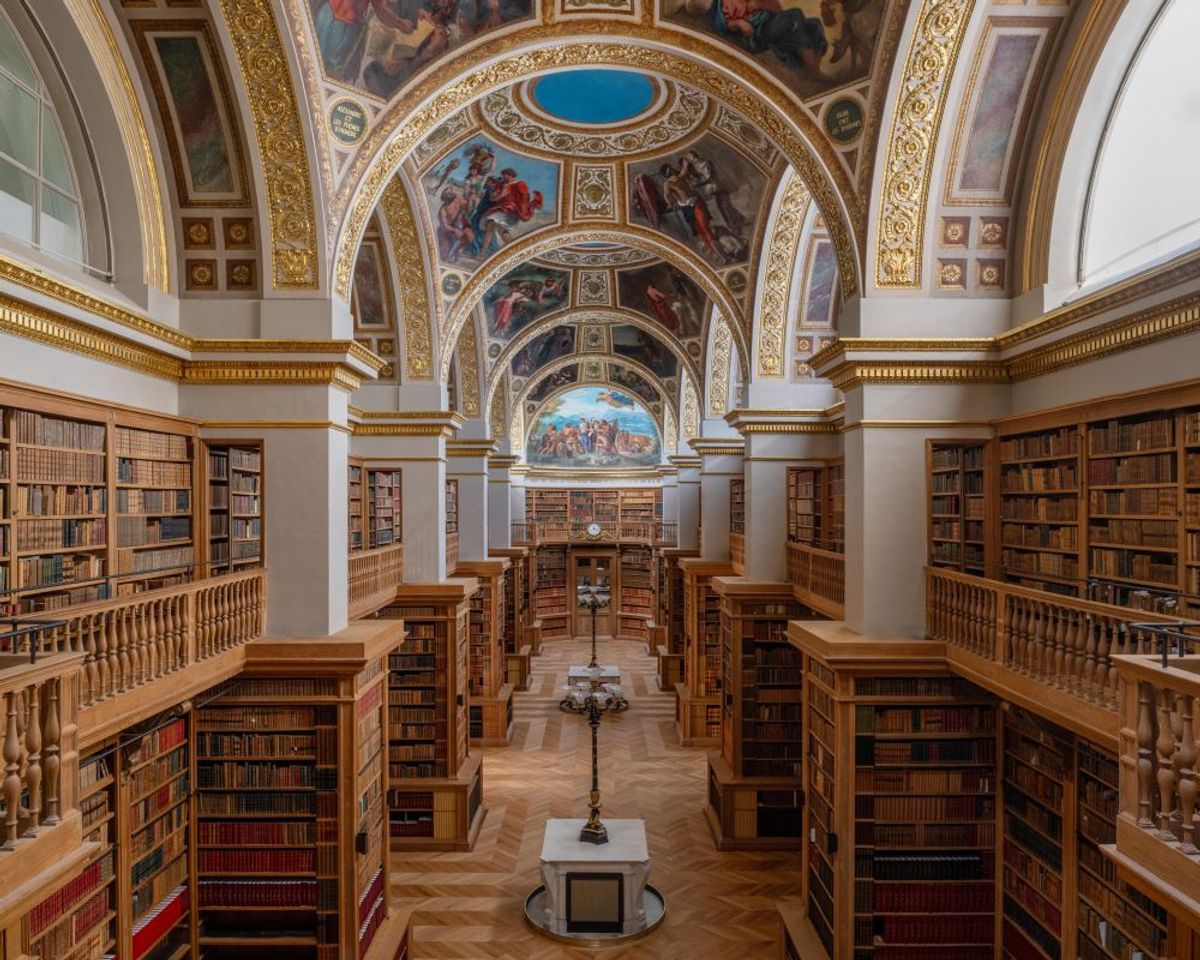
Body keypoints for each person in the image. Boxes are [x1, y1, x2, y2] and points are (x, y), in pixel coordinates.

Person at [712, 0, 832, 82]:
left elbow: (777, 9)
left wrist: (760, 5)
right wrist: (740, 23)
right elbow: (722, 25)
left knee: (814, 24)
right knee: (796, 14)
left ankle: (813, 68)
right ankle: (813, 70)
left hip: (770, 22)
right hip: (757, 34)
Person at [472, 168, 544, 256]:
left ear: (511, 175)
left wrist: (524, 210)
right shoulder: (502, 185)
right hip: (501, 209)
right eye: (503, 175)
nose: (503, 177)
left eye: (505, 175)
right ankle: (483, 252)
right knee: (494, 227)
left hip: (511, 211)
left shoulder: (520, 184)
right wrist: (501, 195)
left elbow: (524, 200)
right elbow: (492, 198)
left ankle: (515, 252)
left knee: (499, 230)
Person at [659, 164, 721, 260]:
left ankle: (716, 249)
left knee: (704, 226)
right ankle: (710, 247)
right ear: (667, 173)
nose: (672, 171)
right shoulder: (667, 183)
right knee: (698, 229)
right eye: (670, 170)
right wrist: (669, 203)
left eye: (671, 169)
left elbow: (685, 168)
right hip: (686, 207)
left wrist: (685, 163)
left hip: (695, 202)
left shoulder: (681, 176)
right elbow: (666, 195)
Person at [681, 149, 745, 234]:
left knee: (724, 209)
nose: (689, 160)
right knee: (725, 207)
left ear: (694, 156)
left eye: (690, 158)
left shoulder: (705, 163)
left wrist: (697, 185)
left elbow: (708, 178)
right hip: (714, 190)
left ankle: (735, 228)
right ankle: (740, 219)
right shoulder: (696, 167)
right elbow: (699, 178)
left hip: (717, 187)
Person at [436, 188, 473, 262]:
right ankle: (451, 252)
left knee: (469, 236)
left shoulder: (458, 199)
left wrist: (469, 200)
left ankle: (458, 249)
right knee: (443, 256)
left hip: (460, 223)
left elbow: (467, 209)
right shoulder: (443, 211)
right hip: (448, 229)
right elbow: (445, 226)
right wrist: (455, 230)